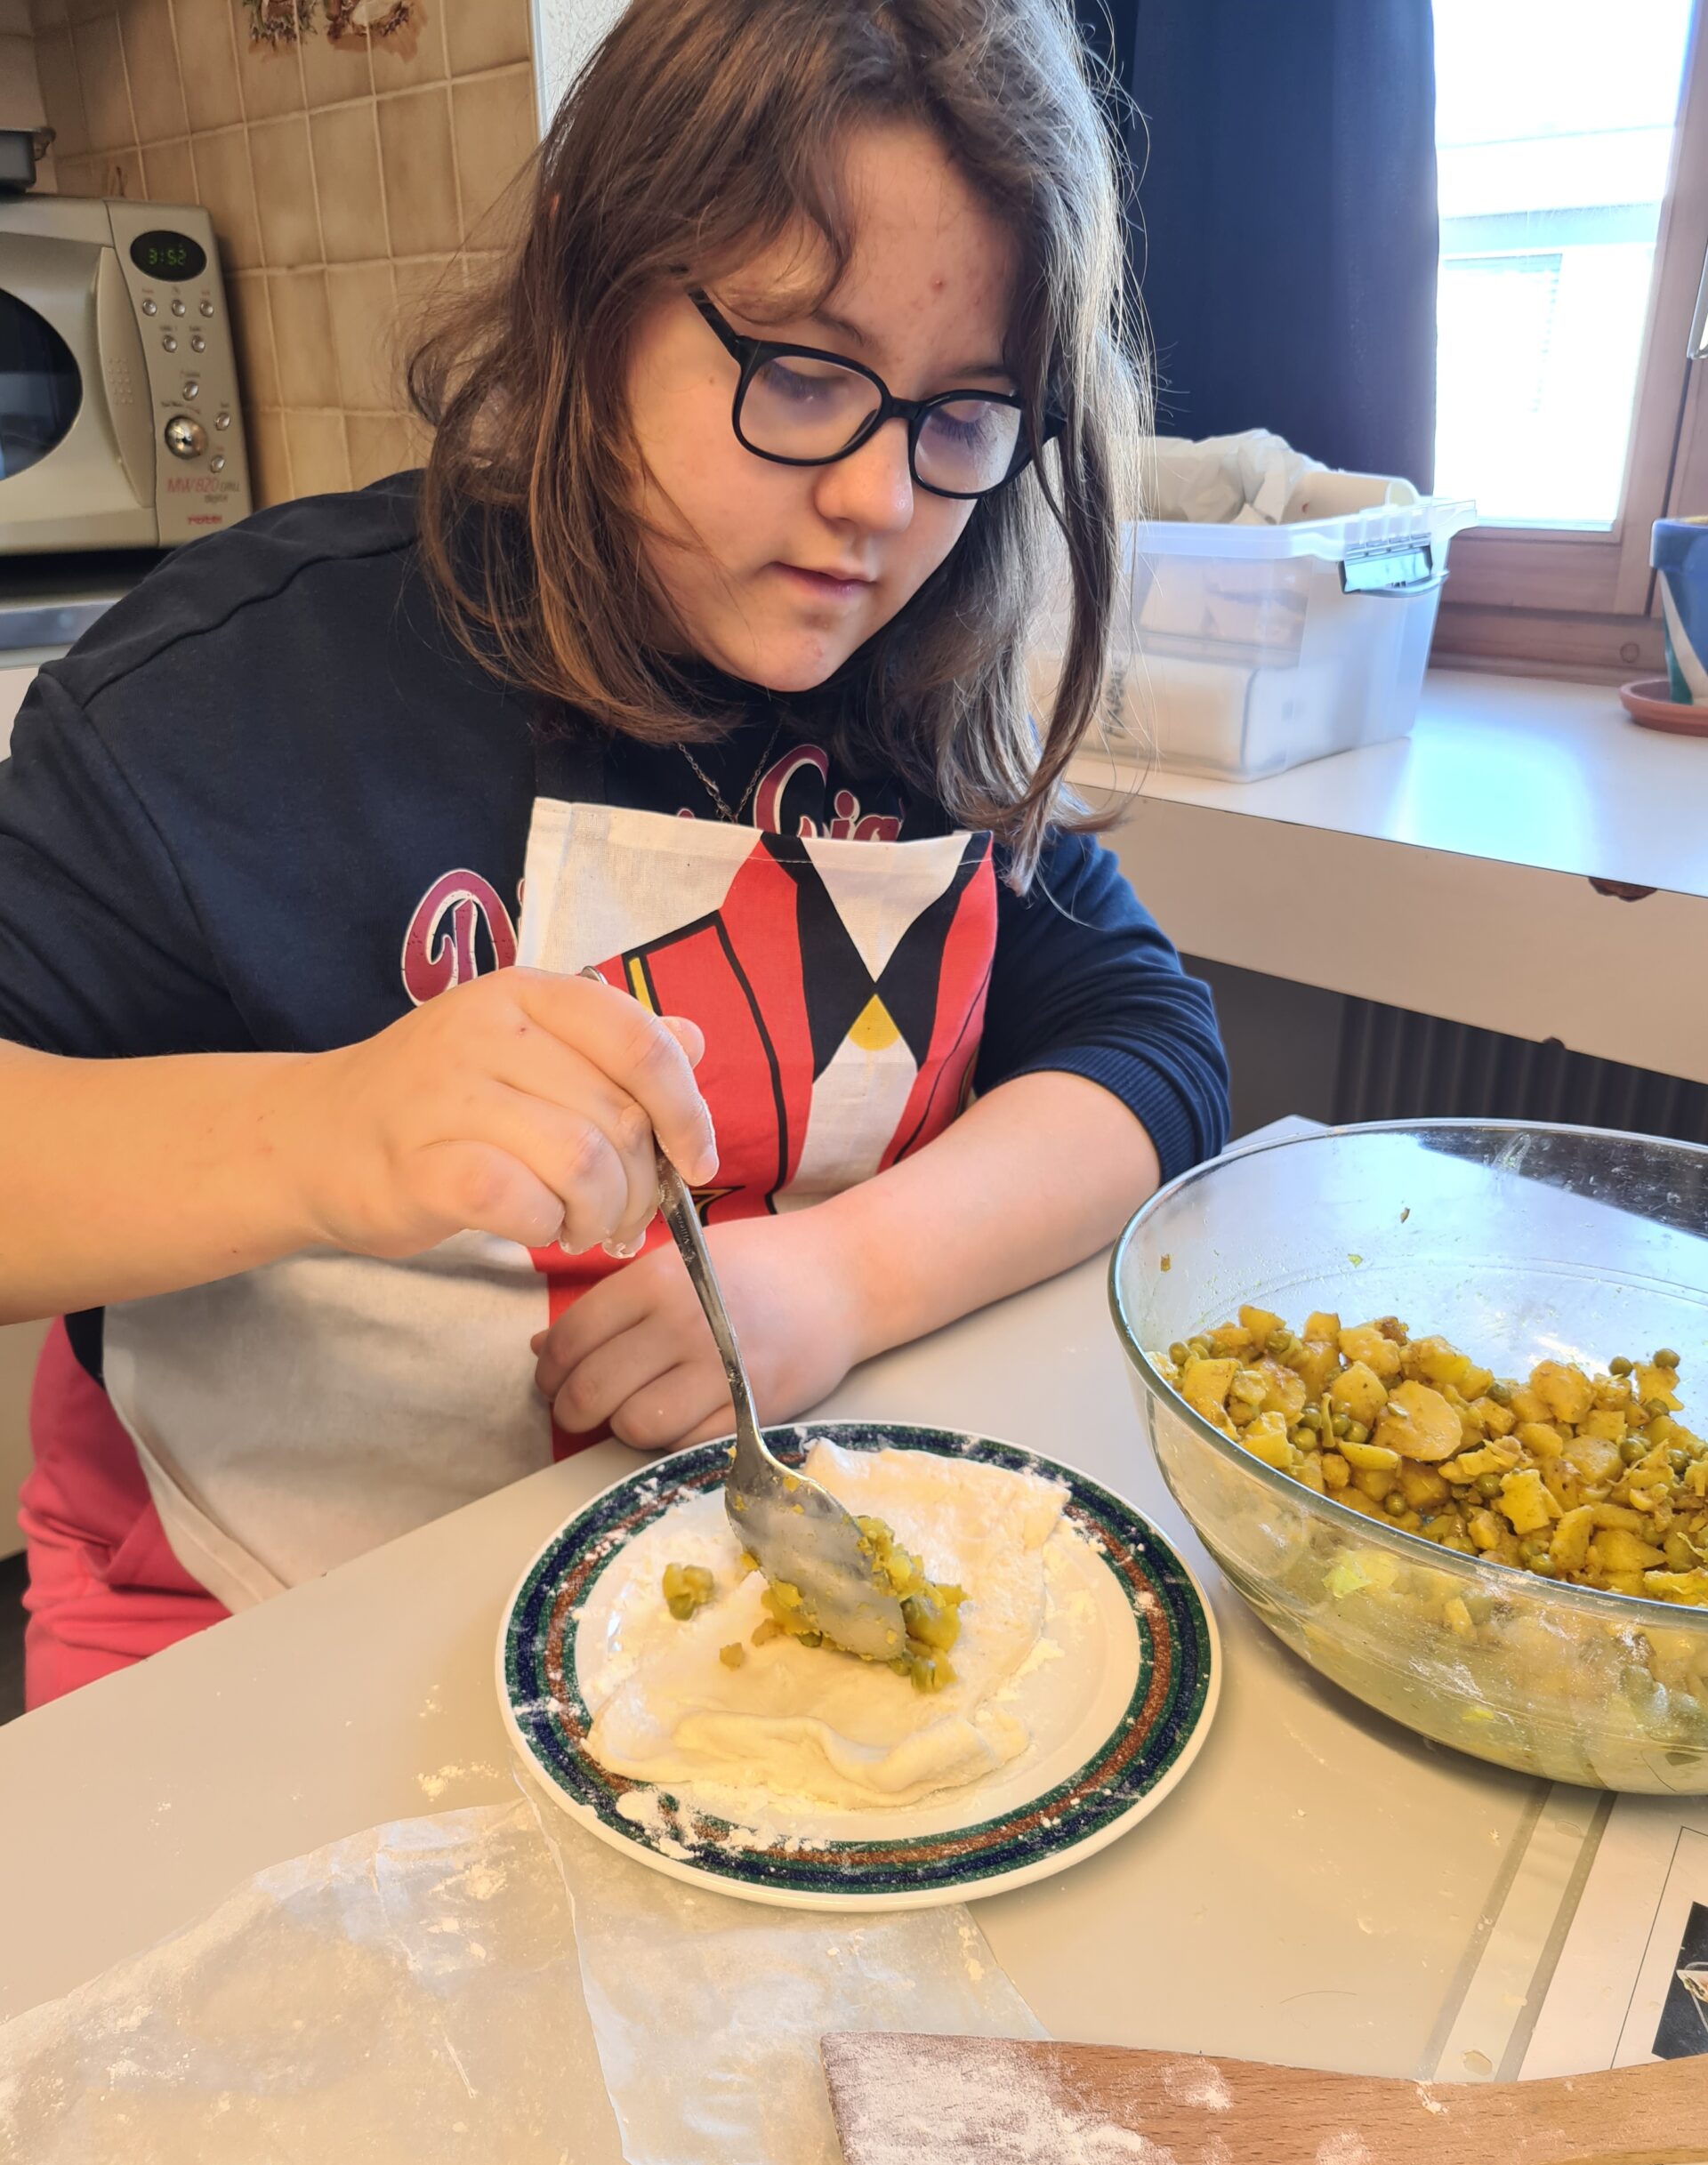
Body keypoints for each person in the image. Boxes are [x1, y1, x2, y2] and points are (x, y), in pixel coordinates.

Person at [0, 0, 1228, 1709]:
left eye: (964, 414)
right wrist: (316, 1132)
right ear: (595, 294)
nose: (882, 503)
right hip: (244, 1624)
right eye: (803, 373)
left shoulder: (912, 701)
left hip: (707, 1629)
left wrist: (848, 1276)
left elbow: (1152, 1047)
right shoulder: (231, 697)